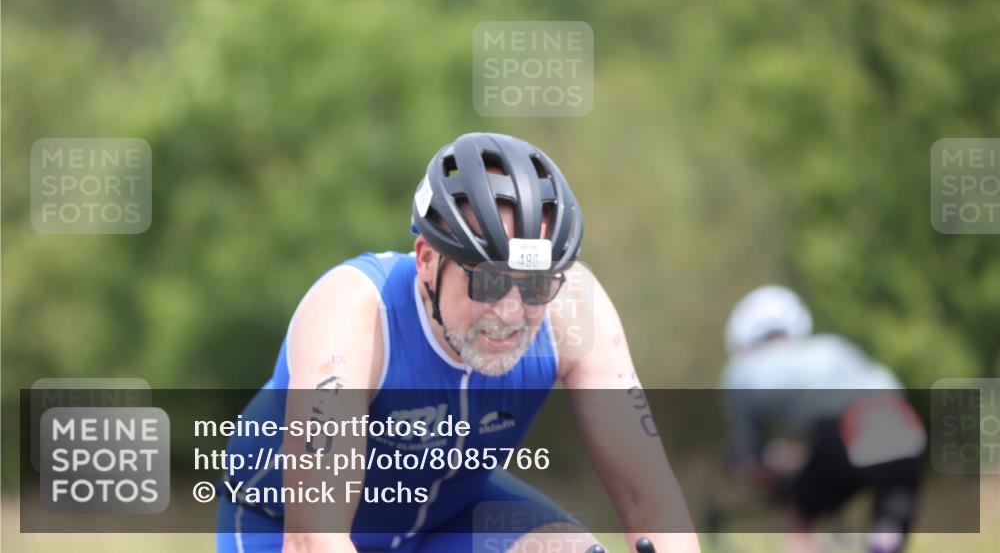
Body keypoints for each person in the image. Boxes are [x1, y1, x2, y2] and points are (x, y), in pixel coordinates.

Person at [217, 132, 701, 553]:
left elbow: (650, 497)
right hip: (280, 525)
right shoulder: (354, 313)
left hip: (452, 517)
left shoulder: (574, 309)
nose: (510, 312)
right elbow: (313, 540)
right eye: (488, 282)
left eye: (535, 285)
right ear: (427, 259)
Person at [720, 285, 926, 553]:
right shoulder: (832, 346)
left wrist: (772, 471)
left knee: (802, 509)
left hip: (844, 431)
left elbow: (753, 456)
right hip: (903, 426)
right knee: (889, 523)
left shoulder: (740, 372)